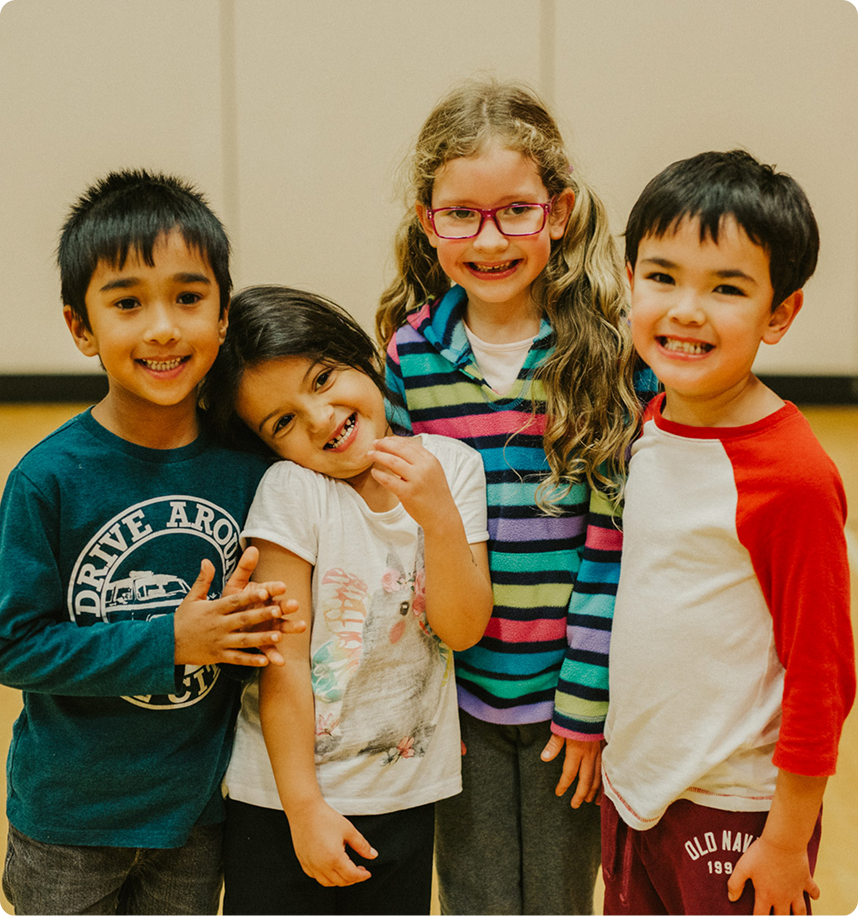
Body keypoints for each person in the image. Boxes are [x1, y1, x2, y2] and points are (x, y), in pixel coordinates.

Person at [376, 77, 657, 915]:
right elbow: (403, 541)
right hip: (456, 705)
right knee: (478, 897)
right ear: (429, 222)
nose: (488, 238)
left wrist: (583, 707)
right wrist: (425, 696)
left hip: (573, 700)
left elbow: (612, 549)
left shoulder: (605, 353)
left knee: (564, 900)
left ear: (559, 211)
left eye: (516, 211)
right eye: (460, 214)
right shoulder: (411, 355)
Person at [0, 169, 304, 916]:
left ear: (224, 315)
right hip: (67, 822)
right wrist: (169, 640)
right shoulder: (48, 479)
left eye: (188, 298)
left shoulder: (253, 469)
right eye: (128, 302)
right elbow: (14, 644)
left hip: (194, 817)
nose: (163, 327)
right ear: (81, 327)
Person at [601, 149, 856, 916]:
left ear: (780, 312)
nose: (685, 309)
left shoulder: (793, 475)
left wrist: (785, 838)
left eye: (727, 288)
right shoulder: (650, 423)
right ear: (630, 278)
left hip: (734, 814)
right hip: (638, 795)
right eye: (662, 276)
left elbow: (823, 674)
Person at [200, 285, 494, 916]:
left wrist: (439, 517)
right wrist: (304, 808)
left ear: (363, 358)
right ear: (268, 445)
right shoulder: (292, 491)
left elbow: (462, 628)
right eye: (282, 422)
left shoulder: (453, 468)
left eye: (324, 378)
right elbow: (288, 663)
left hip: (405, 793)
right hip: (280, 802)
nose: (319, 417)